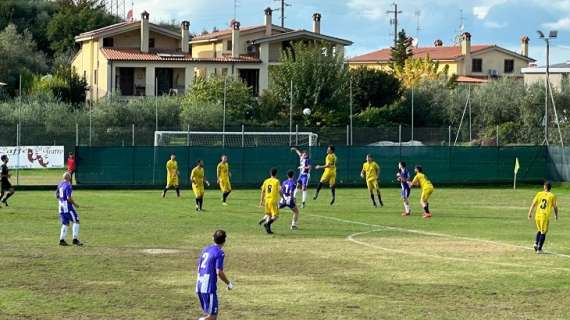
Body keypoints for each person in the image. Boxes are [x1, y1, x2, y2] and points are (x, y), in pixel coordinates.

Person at [196, 230, 233, 320]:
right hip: (208, 288)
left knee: (210, 314)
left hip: (199, 285)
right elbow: (219, 272)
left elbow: (199, 266)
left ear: (213, 238)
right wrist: (228, 283)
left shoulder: (205, 249)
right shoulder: (219, 253)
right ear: (224, 241)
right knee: (212, 317)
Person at [527, 181, 559, 253]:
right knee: (543, 232)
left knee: (539, 230)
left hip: (537, 215)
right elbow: (555, 207)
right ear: (550, 188)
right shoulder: (552, 196)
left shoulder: (539, 194)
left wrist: (529, 213)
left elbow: (533, 204)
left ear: (544, 187)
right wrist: (556, 215)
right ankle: (539, 248)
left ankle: (536, 243)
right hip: (544, 216)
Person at [56, 171, 83, 246]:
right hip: (67, 207)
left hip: (60, 207)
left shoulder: (60, 184)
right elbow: (68, 198)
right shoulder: (68, 185)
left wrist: (62, 200)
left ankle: (62, 240)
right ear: (69, 178)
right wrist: (75, 204)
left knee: (65, 223)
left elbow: (57, 195)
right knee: (76, 220)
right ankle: (75, 239)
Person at [258, 168, 281, 234]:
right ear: (276, 174)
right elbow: (279, 190)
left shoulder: (266, 181)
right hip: (273, 200)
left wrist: (261, 201)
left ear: (270, 173)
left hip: (267, 200)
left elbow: (262, 191)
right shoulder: (276, 181)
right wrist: (283, 198)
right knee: (276, 216)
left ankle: (268, 230)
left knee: (269, 215)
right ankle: (267, 224)